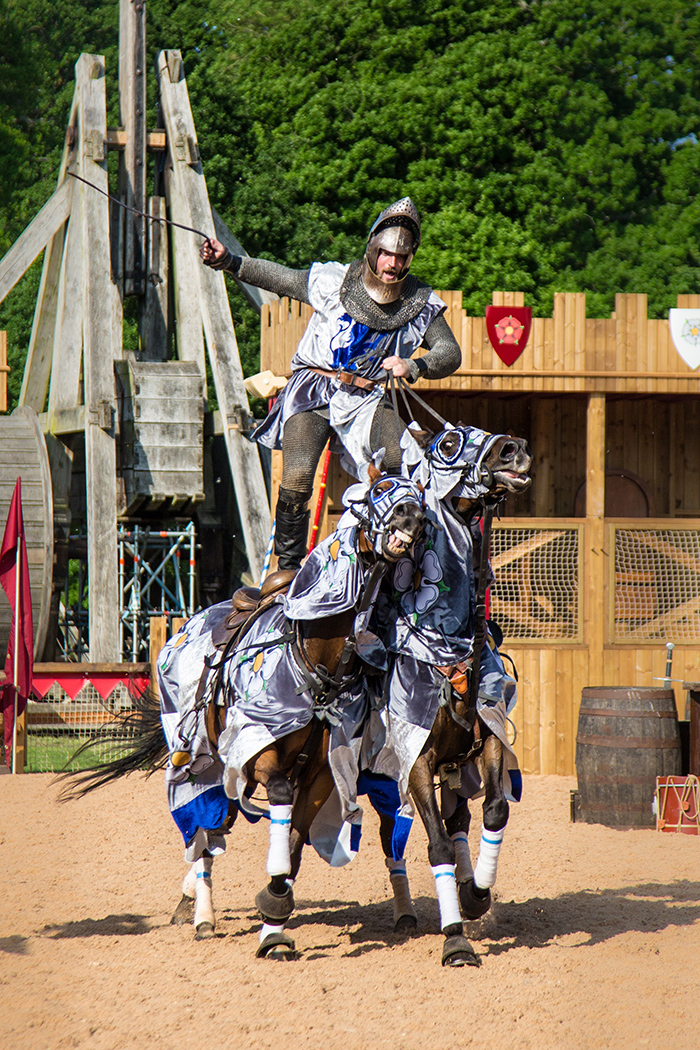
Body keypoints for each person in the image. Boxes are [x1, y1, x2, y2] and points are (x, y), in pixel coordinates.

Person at [200, 197, 461, 571]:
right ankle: (287, 573)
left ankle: (386, 561)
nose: (393, 264)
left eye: (402, 257)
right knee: (298, 475)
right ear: (374, 248)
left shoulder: (419, 302)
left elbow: (450, 352)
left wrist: (413, 365)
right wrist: (230, 262)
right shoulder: (336, 281)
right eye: (387, 253)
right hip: (314, 389)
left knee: (402, 461)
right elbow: (282, 278)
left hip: (367, 398)